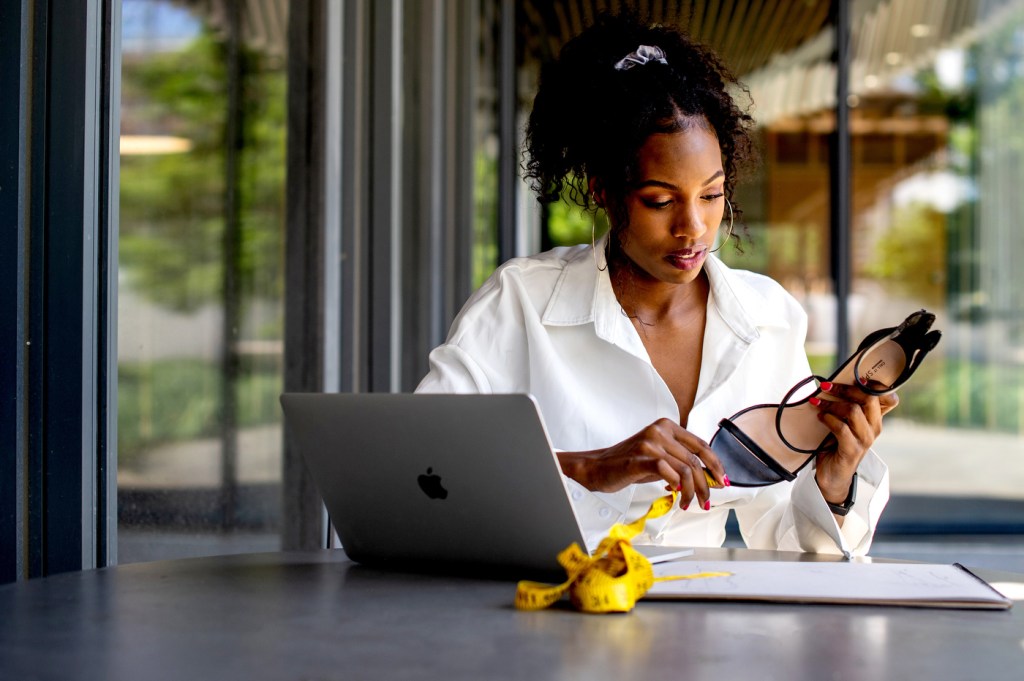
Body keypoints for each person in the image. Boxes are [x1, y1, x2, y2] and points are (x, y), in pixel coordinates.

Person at [416, 13, 897, 557]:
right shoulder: (522, 303)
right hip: (550, 615)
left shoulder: (768, 320)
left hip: (705, 626)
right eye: (661, 201)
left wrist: (832, 484)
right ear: (605, 191)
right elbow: (423, 473)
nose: (692, 227)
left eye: (711, 196)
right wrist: (589, 468)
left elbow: (787, 540)